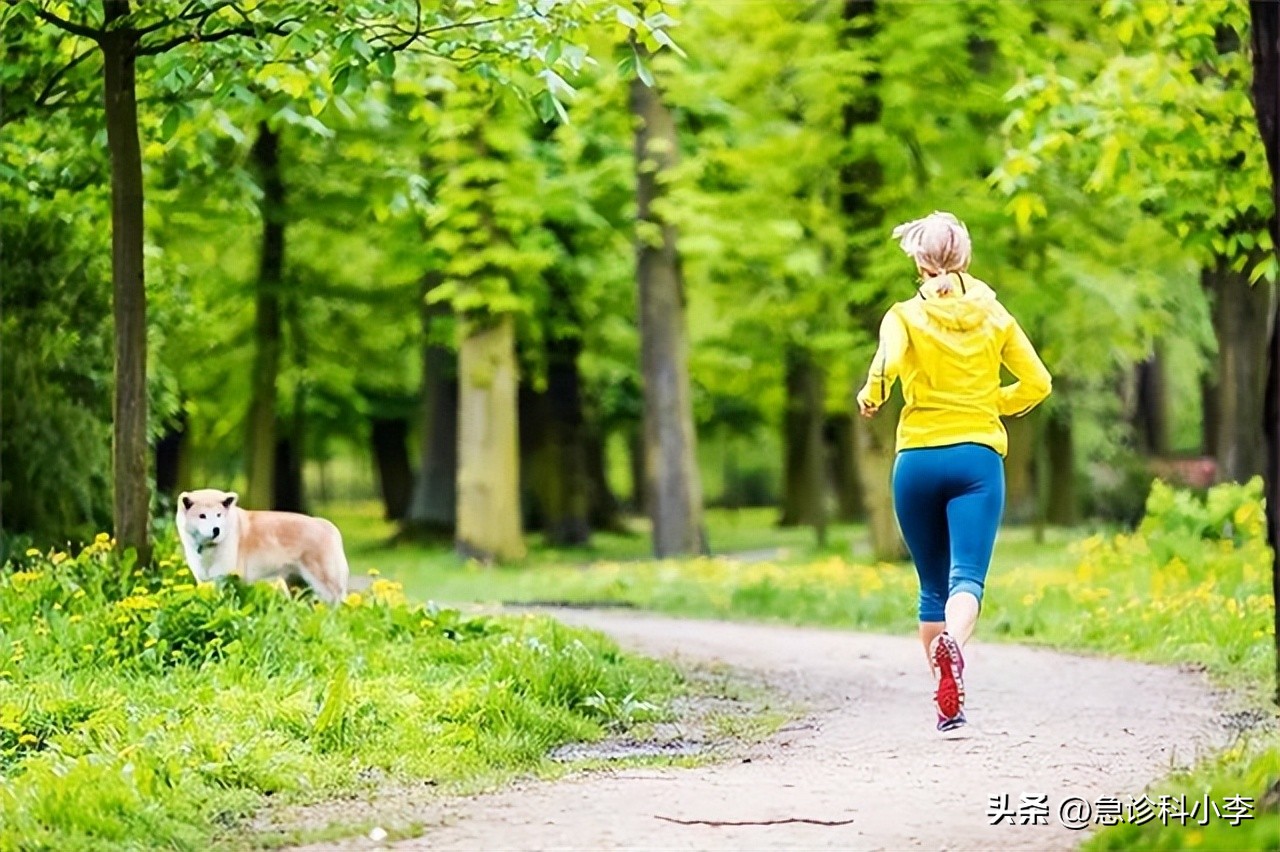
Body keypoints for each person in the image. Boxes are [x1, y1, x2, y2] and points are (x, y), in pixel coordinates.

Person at [856, 211, 1051, 733]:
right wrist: (991, 401)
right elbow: (1038, 382)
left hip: (916, 460)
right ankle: (955, 649)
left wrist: (871, 396)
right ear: (964, 258)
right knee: (967, 578)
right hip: (976, 460)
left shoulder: (902, 316)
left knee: (929, 588)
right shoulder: (995, 315)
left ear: (919, 261)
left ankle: (947, 703)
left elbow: (886, 366)